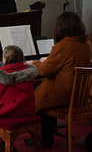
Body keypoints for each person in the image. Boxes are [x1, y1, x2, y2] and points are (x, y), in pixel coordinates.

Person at [25, 12, 92, 148]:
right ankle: (46, 136)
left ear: (61, 27)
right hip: (80, 95)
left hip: (63, 95)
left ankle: (43, 137)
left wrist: (35, 63)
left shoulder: (62, 46)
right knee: (44, 98)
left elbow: (44, 71)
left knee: (36, 97)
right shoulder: (87, 44)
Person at [0, 45, 38, 148]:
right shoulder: (28, 71)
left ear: (5, 59)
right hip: (25, 108)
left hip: (10, 110)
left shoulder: (3, 74)